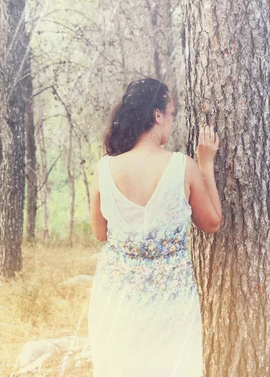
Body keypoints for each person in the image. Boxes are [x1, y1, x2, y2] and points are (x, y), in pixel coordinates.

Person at [87, 78, 222, 376]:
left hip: (117, 296)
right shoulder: (182, 166)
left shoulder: (105, 169)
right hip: (169, 300)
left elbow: (100, 233)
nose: (172, 122)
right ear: (157, 115)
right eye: (172, 114)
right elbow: (212, 222)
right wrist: (206, 164)